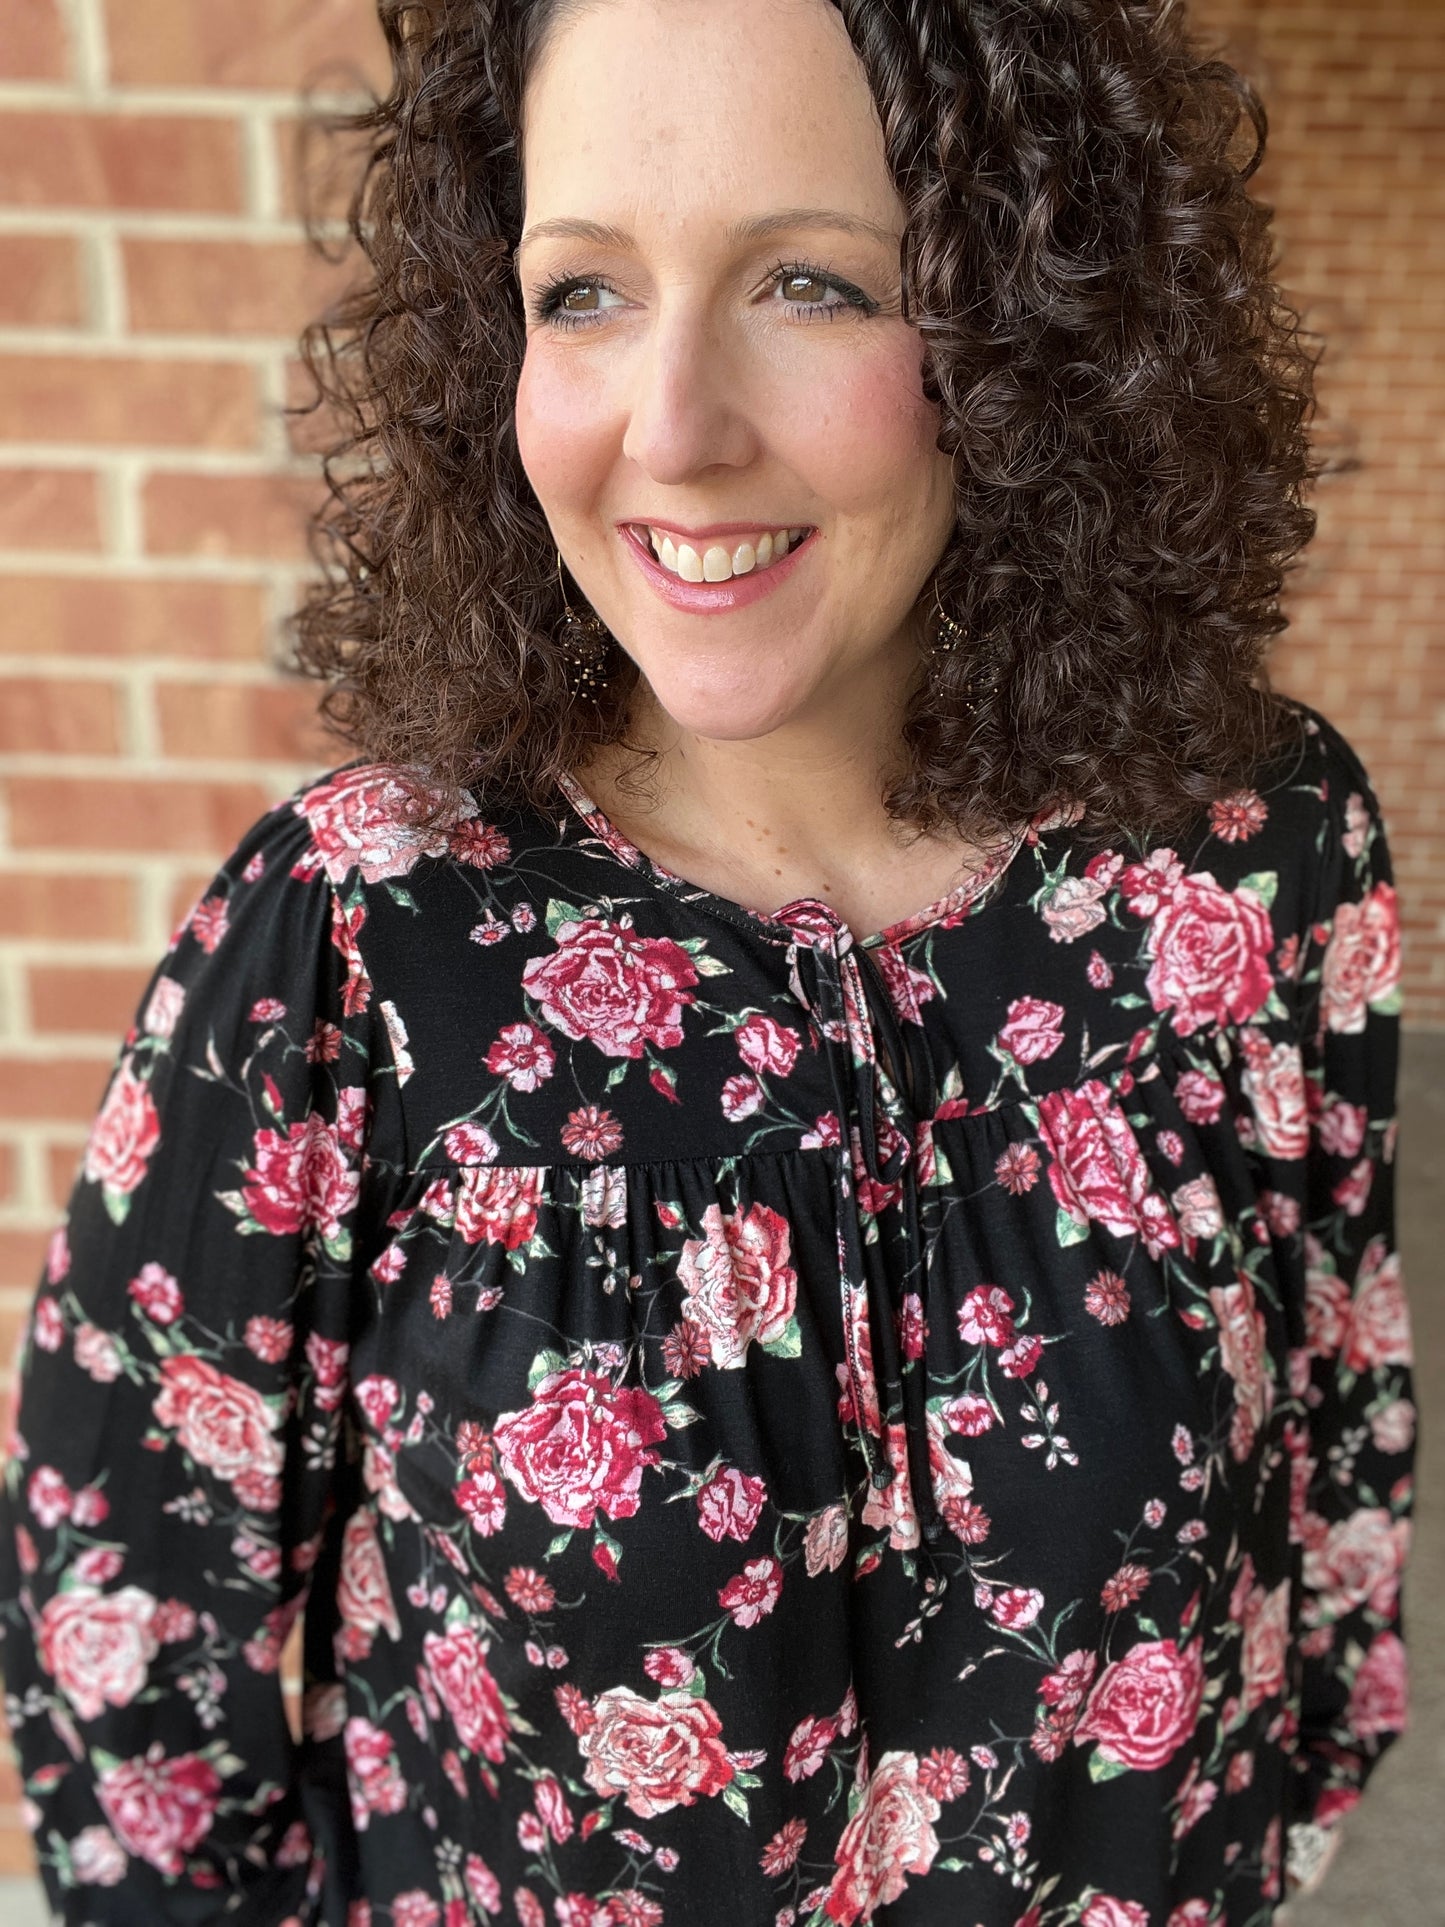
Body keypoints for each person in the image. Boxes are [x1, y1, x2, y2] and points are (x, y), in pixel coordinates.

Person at [0, 0, 1416, 1921]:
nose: (671, 428)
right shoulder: (358, 932)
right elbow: (131, 1655)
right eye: (580, 294)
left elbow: (1327, 1480)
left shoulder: (1250, 857)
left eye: (812, 285)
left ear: (1032, 333)